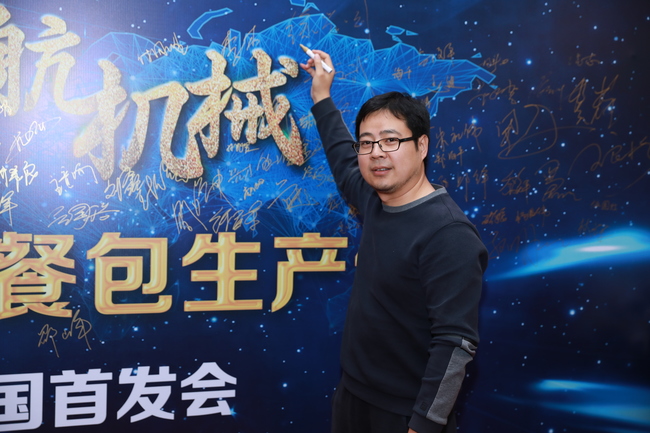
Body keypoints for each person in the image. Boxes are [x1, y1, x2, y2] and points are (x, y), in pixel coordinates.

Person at [300, 50, 489, 433]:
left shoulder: (449, 234)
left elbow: (455, 343)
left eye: (390, 141)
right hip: (354, 394)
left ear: (422, 146)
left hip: (405, 414)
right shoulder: (376, 199)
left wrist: (424, 424)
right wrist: (321, 94)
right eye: (367, 143)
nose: (376, 153)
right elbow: (342, 157)